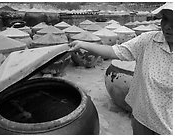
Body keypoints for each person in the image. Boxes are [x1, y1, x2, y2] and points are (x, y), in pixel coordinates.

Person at [69, 3, 173, 135]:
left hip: (168, 126)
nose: (167, 26)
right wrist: (83, 44)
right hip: (142, 119)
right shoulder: (148, 41)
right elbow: (114, 51)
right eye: (165, 18)